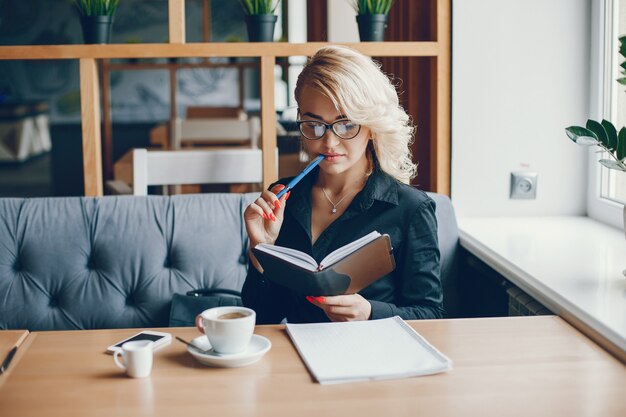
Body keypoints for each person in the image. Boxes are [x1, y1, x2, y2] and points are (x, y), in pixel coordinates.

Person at [242, 45, 443, 324]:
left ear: (371, 126)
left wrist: (371, 312)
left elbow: (431, 315)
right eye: (313, 124)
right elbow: (263, 315)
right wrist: (261, 248)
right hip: (294, 357)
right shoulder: (282, 198)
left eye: (346, 124)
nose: (328, 142)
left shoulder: (411, 209)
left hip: (371, 358)